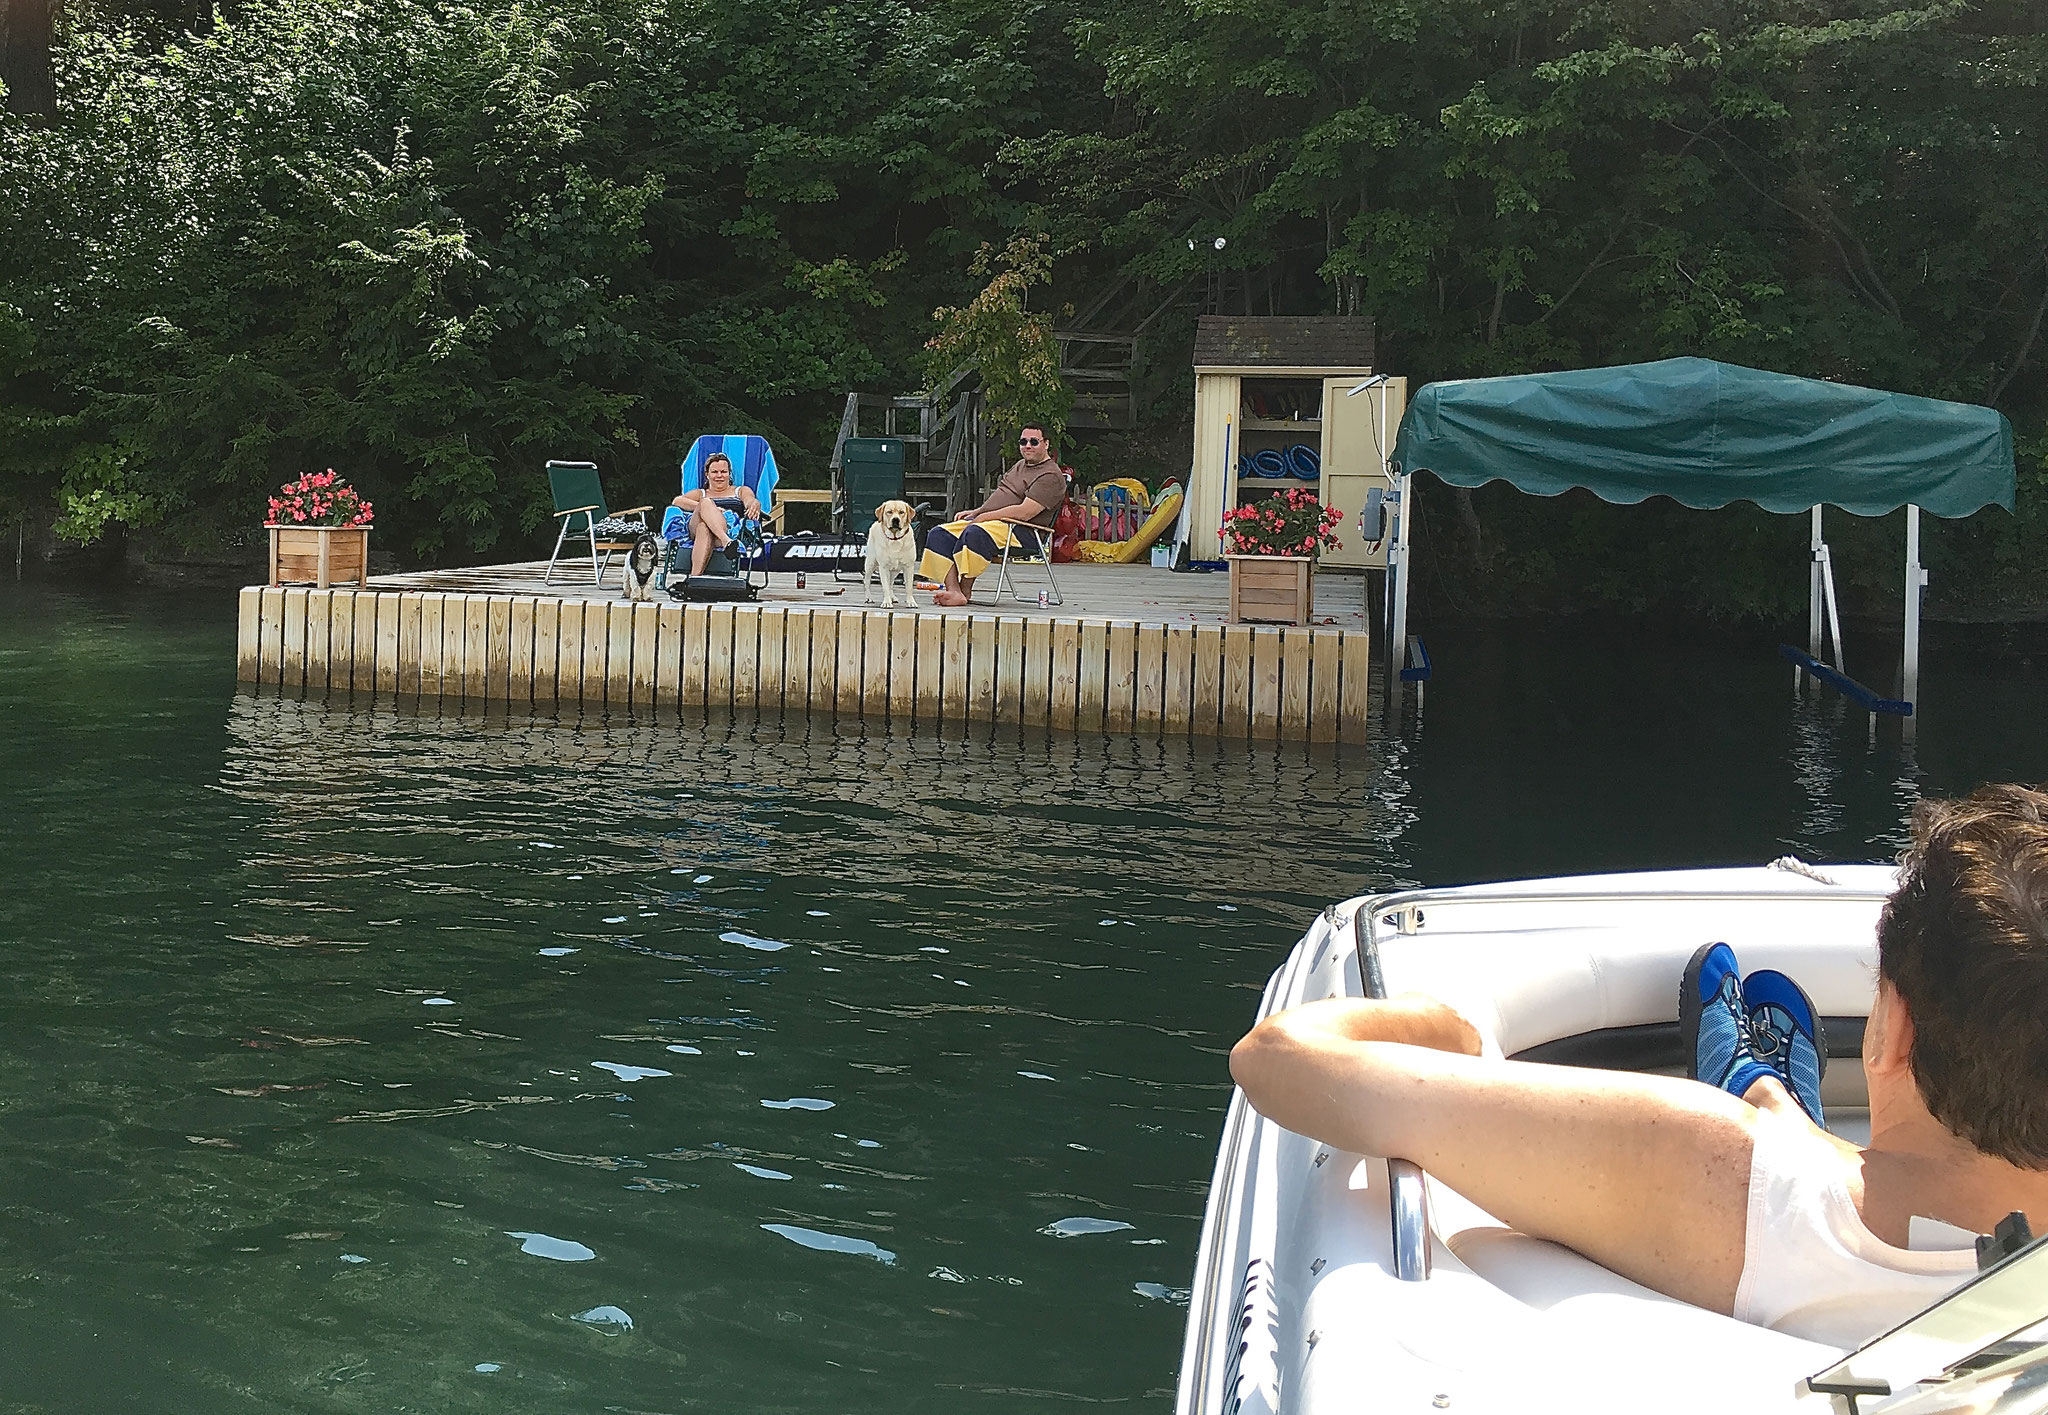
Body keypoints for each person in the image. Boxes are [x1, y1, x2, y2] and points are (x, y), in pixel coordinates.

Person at [1230, 783, 2048, 1349]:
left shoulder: (1727, 1172)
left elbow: (1281, 1060)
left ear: (1891, 1029)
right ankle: (1772, 1091)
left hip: (1769, 1199)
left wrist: (1457, 1025)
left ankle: (1760, 1086)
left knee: (1778, 1143)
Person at [921, 424, 1068, 607]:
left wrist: (985, 517)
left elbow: (1024, 512)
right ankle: (954, 590)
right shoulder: (1020, 465)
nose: (1027, 445)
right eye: (1023, 441)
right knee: (939, 533)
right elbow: (1001, 497)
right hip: (994, 522)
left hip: (1023, 531)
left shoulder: (1050, 476)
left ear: (1046, 444)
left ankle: (965, 589)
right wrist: (977, 512)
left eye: (1034, 441)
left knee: (975, 533)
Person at [669, 453, 761, 577]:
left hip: (727, 529)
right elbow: (677, 501)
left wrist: (754, 503)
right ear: (707, 475)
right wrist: (712, 509)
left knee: (704, 527)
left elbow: (749, 500)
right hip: (696, 532)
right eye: (714, 472)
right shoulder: (701, 493)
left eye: (723, 471)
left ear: (729, 474)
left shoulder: (740, 491)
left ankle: (695, 578)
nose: (719, 476)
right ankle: (726, 542)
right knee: (706, 503)